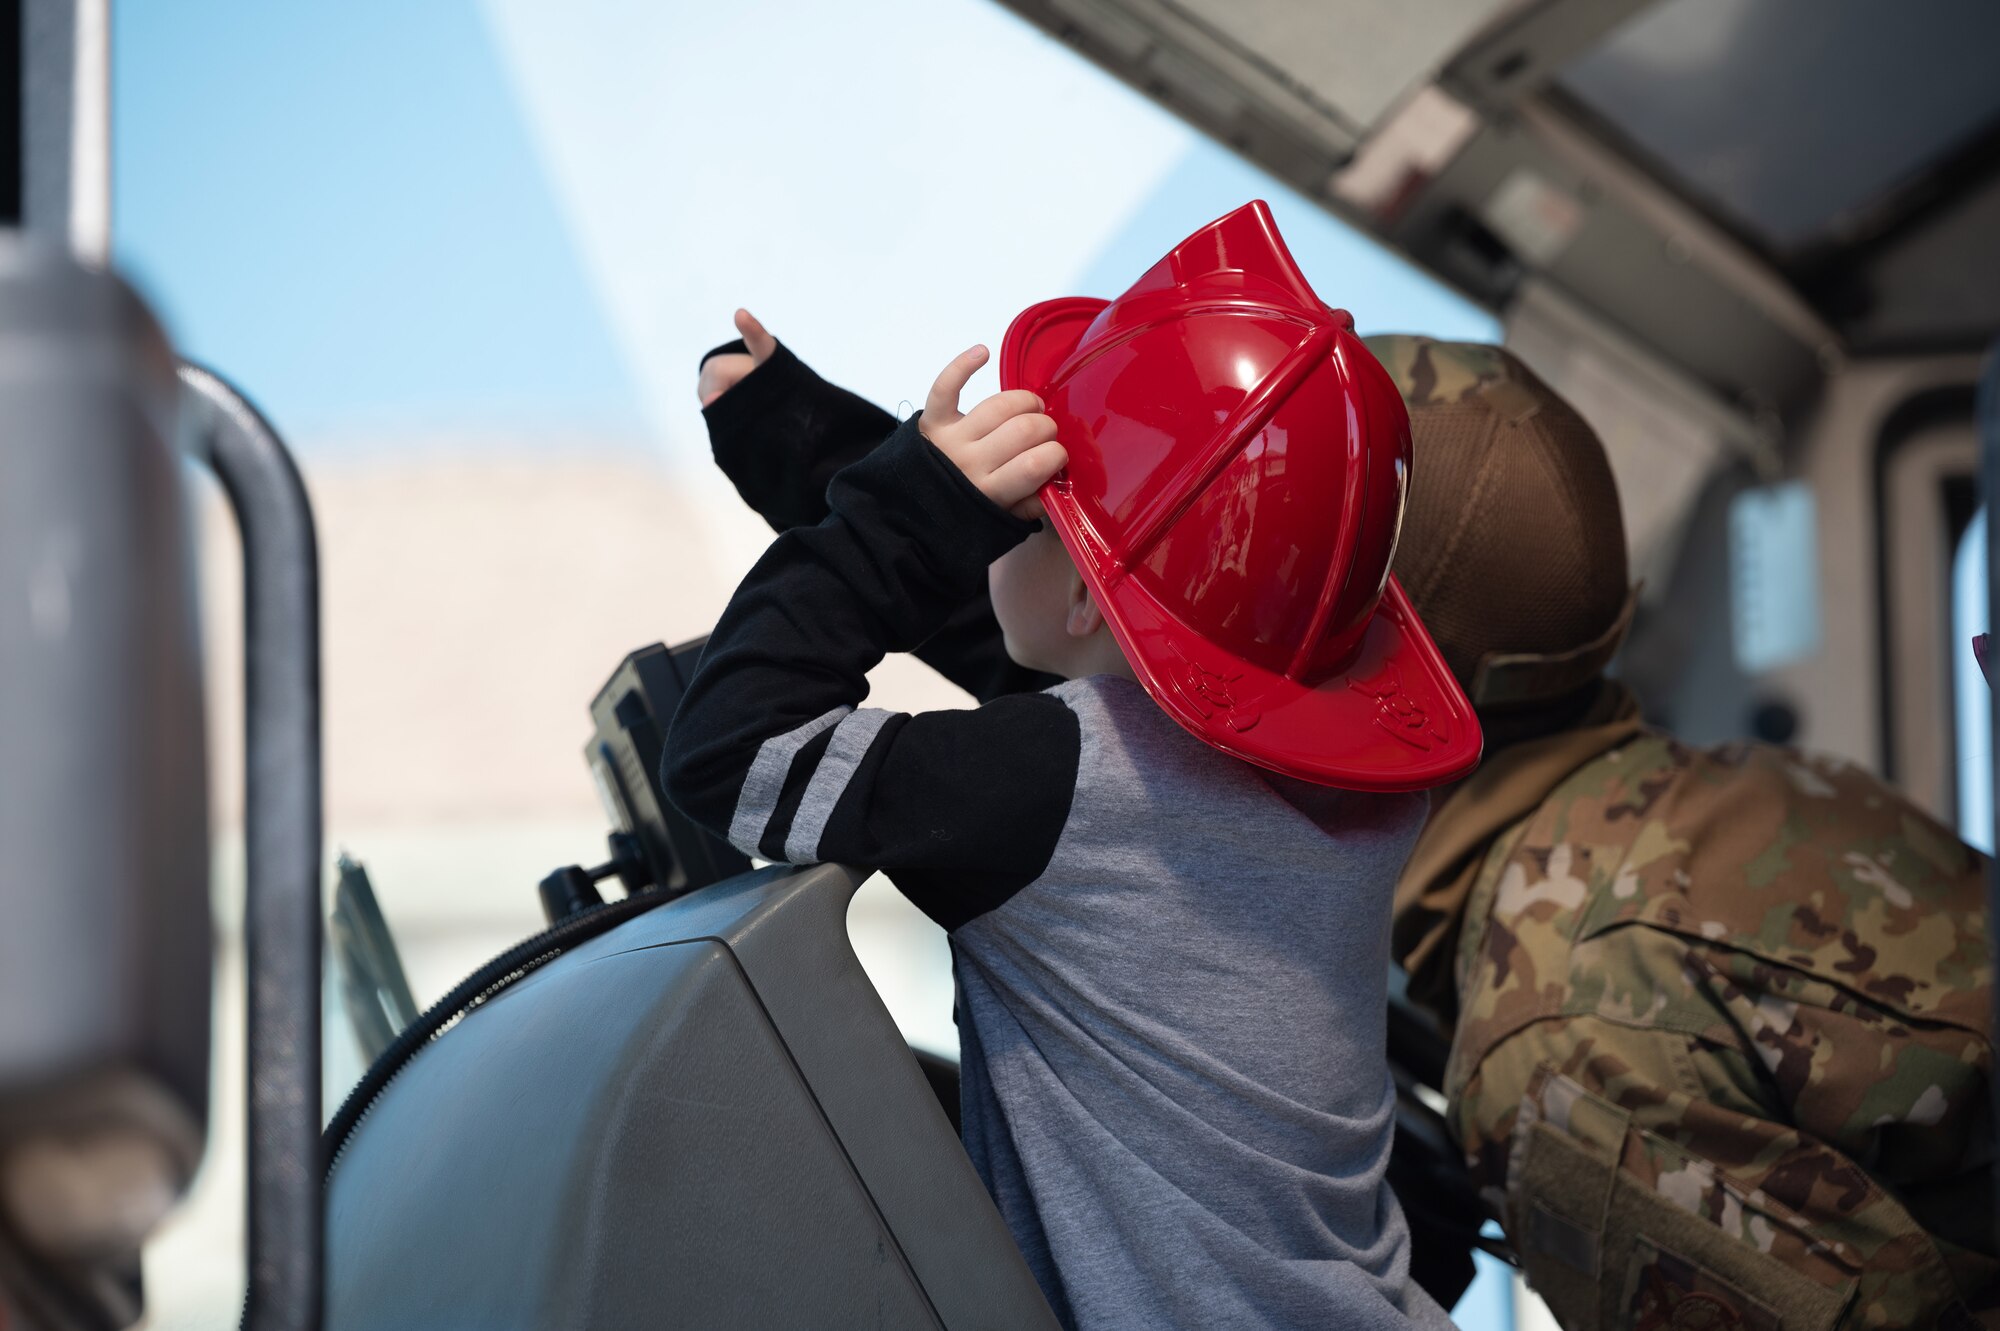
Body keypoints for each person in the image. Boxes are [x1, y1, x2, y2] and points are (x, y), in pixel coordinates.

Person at [698, 309, 1998, 1326]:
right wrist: (824, 459)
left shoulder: (1565, 1018)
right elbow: (1108, 679)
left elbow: (1093, 705)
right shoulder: (1741, 798)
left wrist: (889, 518)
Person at [664, 204, 1469, 1330]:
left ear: (1094, 596)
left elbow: (730, 749)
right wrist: (811, 446)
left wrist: (900, 513)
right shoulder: (1333, 780)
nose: (991, 531)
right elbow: (1057, 662)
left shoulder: (1062, 790)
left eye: (1019, 517)